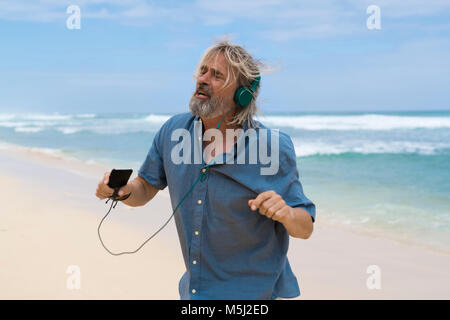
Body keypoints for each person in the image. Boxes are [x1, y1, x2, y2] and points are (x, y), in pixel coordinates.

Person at [95, 40, 316, 300]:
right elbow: (144, 187)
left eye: (217, 75)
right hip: (195, 292)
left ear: (242, 94)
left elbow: (304, 227)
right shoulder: (173, 131)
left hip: (257, 295)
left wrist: (286, 213)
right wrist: (121, 191)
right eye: (203, 71)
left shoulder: (272, 145)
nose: (203, 79)